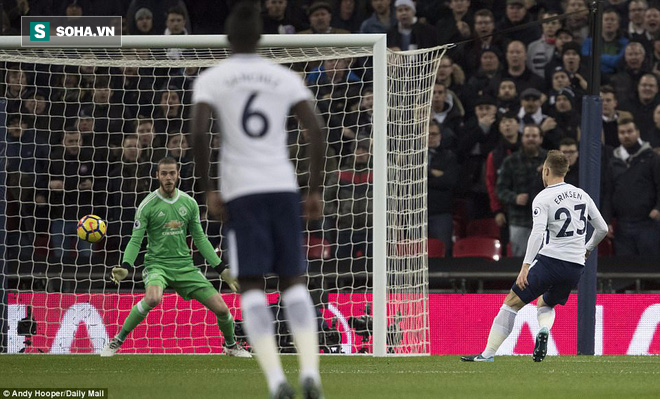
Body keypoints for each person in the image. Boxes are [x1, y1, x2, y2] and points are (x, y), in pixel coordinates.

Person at [190, 3, 325, 399]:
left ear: (229, 39)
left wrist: (208, 188)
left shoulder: (213, 78)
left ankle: (276, 381)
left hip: (241, 193)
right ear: (260, 38)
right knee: (293, 281)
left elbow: (198, 133)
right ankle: (311, 373)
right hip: (283, 187)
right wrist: (314, 189)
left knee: (250, 284)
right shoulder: (282, 76)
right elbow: (315, 132)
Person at [462, 150, 608, 362]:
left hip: (550, 261)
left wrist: (525, 266)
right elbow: (602, 228)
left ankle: (487, 354)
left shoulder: (543, 197)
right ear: (565, 171)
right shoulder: (582, 195)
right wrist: (587, 249)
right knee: (546, 303)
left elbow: (537, 233)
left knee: (511, 303)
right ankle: (544, 330)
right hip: (575, 266)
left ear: (546, 170)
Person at [100, 157, 251, 359]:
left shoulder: (189, 204)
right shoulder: (147, 206)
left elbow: (200, 239)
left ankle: (231, 345)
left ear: (178, 174)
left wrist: (222, 270)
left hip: (185, 267)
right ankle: (117, 340)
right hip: (157, 266)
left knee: (223, 310)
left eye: (172, 173)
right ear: (157, 176)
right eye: (164, 173)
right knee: (153, 297)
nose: (168, 177)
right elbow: (136, 240)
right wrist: (126, 266)